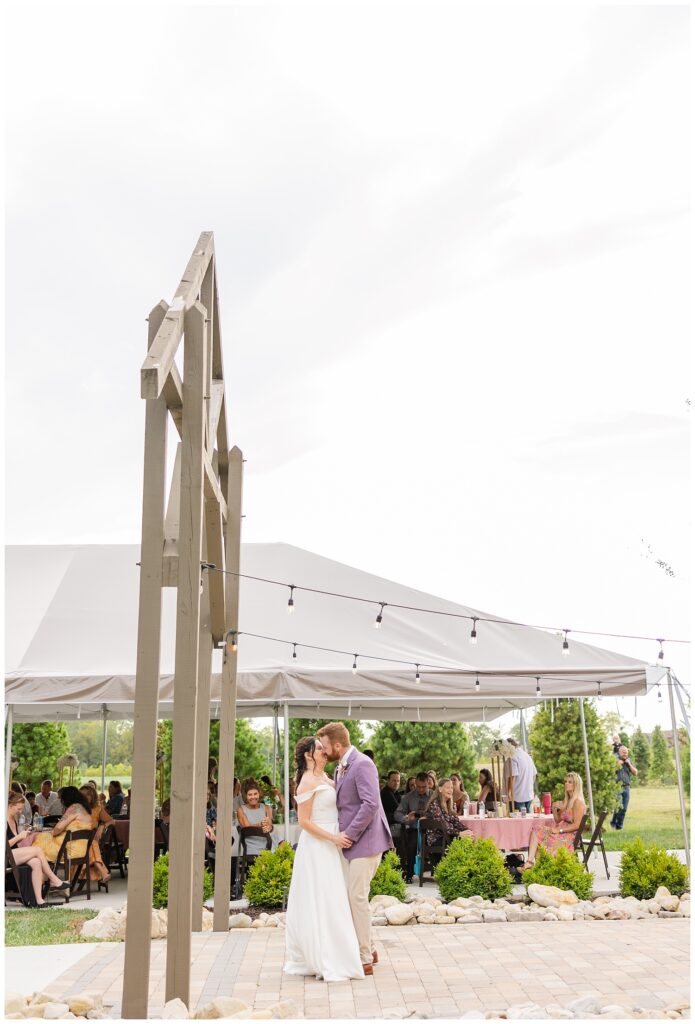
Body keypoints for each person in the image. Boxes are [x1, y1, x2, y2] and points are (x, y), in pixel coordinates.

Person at [284, 736, 364, 982]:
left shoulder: (326, 778)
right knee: (323, 898)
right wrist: (333, 838)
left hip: (334, 843)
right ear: (309, 755)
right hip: (319, 845)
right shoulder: (306, 783)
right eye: (319, 748)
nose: (324, 751)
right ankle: (324, 955)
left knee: (336, 897)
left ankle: (342, 950)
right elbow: (304, 822)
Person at [316, 722, 393, 976]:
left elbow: (371, 804)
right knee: (355, 897)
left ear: (337, 745)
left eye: (326, 747)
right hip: (353, 843)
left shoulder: (363, 764)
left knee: (356, 897)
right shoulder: (341, 767)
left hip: (367, 841)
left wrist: (349, 834)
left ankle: (363, 959)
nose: (324, 752)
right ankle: (369, 948)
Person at [6, 792, 70, 905]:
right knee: (38, 850)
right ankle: (54, 880)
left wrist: (25, 835)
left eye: (21, 809)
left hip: (13, 853)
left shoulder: (14, 819)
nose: (20, 812)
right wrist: (19, 837)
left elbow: (15, 841)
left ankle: (39, 900)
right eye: (18, 809)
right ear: (10, 806)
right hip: (5, 856)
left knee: (36, 862)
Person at [521, 773, 586, 869]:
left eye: (569, 782)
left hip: (569, 836)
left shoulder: (578, 802)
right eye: (566, 782)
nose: (566, 784)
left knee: (543, 840)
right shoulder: (567, 801)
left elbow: (577, 825)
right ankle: (530, 863)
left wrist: (559, 831)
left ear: (576, 785)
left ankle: (540, 869)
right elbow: (557, 820)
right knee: (536, 830)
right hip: (559, 830)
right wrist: (554, 809)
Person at [395, 772, 432, 883]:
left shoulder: (434, 796)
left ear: (428, 784)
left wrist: (427, 816)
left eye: (424, 787)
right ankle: (409, 874)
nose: (421, 790)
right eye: (418, 787)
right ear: (415, 783)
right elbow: (397, 813)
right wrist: (406, 818)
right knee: (411, 845)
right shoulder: (408, 797)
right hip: (415, 829)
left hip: (432, 830)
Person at [425, 779, 474, 862]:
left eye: (451, 788)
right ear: (440, 789)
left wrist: (467, 830)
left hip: (448, 836)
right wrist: (459, 833)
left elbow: (456, 822)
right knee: (464, 840)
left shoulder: (449, 805)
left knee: (469, 837)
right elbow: (443, 825)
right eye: (447, 788)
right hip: (437, 839)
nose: (451, 790)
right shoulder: (434, 804)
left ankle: (465, 869)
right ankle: (459, 868)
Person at [78, 785, 112, 882]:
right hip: (77, 840)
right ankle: (103, 871)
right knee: (91, 843)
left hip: (91, 839)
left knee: (91, 842)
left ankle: (101, 871)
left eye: (88, 794)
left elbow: (111, 821)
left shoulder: (97, 809)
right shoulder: (75, 809)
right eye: (82, 795)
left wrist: (101, 826)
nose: (85, 797)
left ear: (93, 796)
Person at [237, 780, 275, 853]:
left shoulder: (266, 807)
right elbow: (248, 829)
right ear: (245, 795)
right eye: (250, 795)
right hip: (251, 846)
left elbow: (269, 826)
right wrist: (261, 824)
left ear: (259, 793)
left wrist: (269, 826)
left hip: (268, 842)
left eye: (255, 794)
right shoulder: (241, 810)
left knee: (281, 842)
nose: (253, 797)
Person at [504, 739, 537, 812]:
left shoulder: (513, 757)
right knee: (528, 820)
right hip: (529, 794)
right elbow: (534, 774)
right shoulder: (527, 755)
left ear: (509, 747)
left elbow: (513, 776)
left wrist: (508, 792)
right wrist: (528, 786)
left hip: (518, 796)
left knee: (519, 821)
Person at [610, 746, 638, 830]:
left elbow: (635, 773)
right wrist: (618, 764)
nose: (625, 754)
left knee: (624, 808)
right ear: (619, 752)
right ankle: (613, 823)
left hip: (627, 787)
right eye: (623, 752)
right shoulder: (615, 759)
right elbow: (610, 770)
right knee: (618, 806)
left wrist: (629, 764)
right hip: (617, 787)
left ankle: (619, 826)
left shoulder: (629, 761)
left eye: (626, 752)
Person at [380, 771, 403, 852]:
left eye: (398, 781)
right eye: (393, 780)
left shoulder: (396, 793)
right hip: (386, 827)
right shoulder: (386, 792)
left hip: (393, 825)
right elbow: (399, 810)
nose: (396, 783)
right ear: (388, 781)